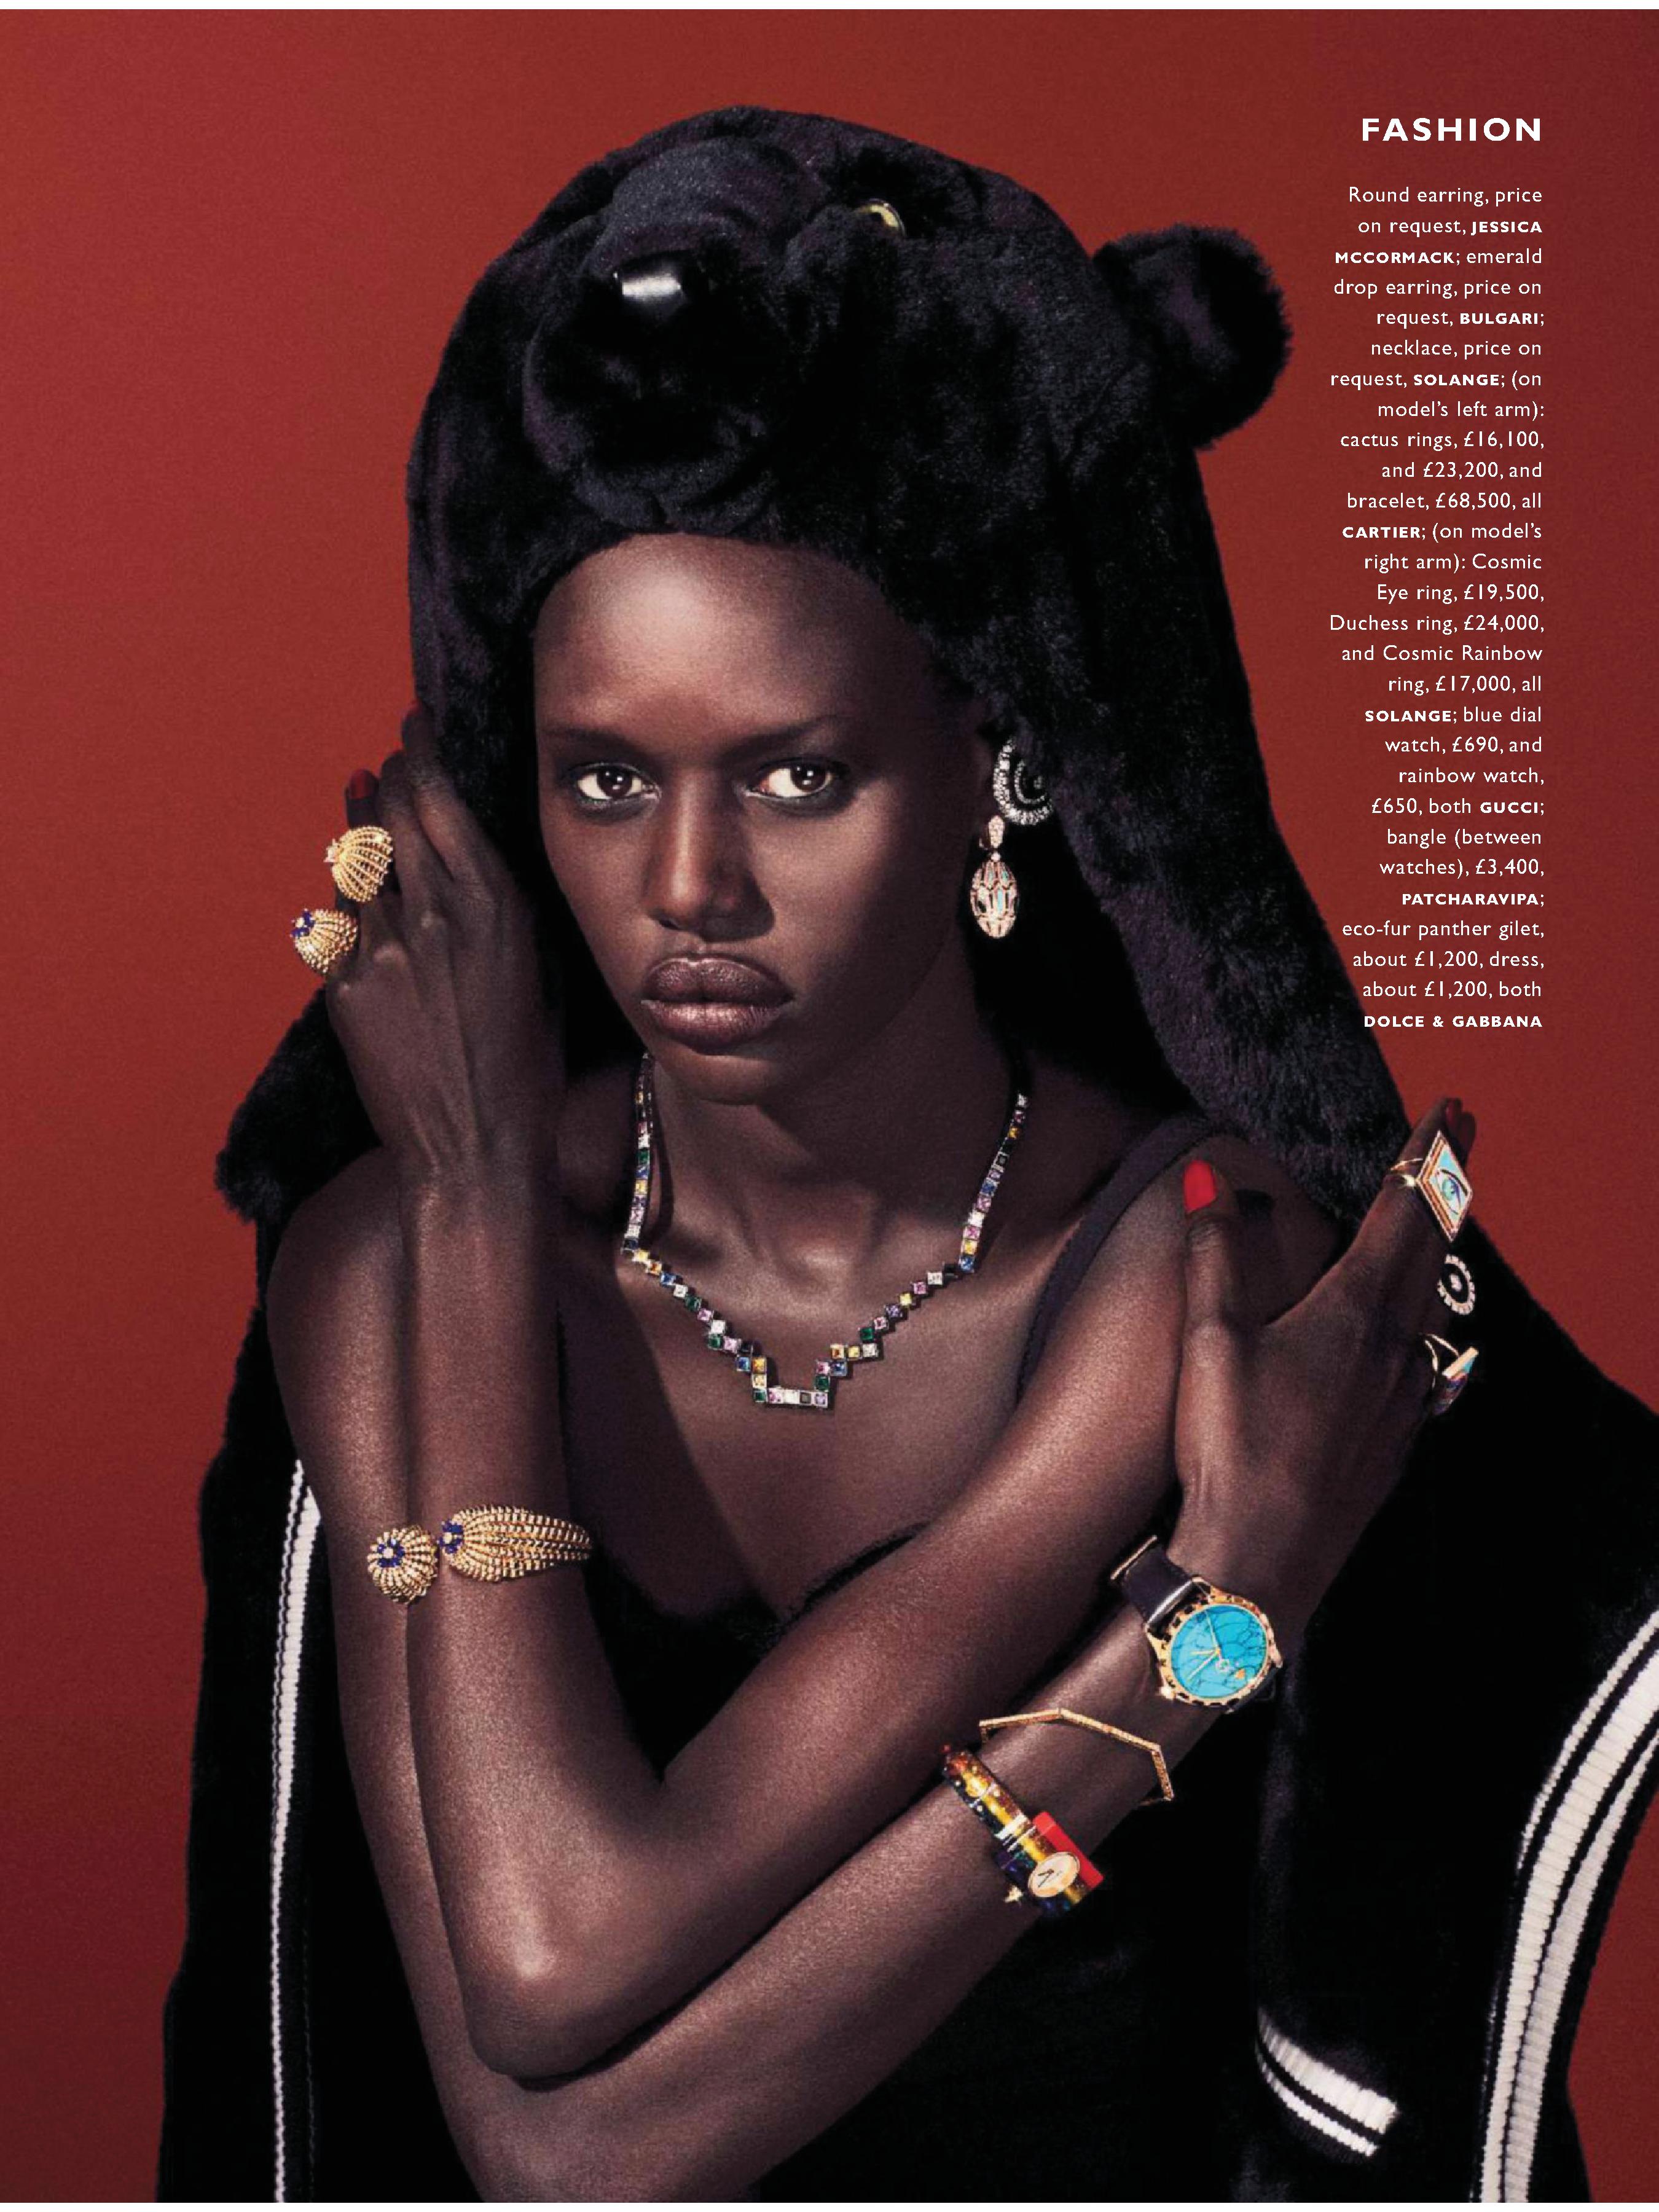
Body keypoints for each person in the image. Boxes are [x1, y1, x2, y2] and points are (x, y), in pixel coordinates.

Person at [159, 106, 1659, 2203]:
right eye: (603, 779)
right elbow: (543, 2113)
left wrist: (464, 1211)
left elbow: (596, 2095)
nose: (689, 889)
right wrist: (1201, 1635)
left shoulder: (1185, 1262)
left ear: (995, 765)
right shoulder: (386, 1260)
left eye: (797, 776)